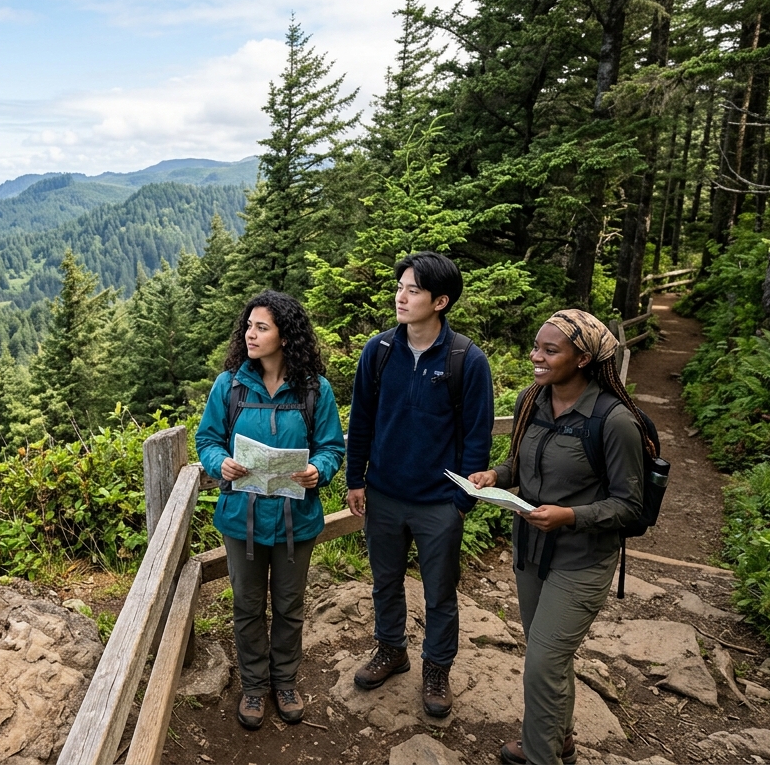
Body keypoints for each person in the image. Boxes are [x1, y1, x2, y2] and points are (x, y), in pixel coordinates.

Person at [466, 309, 653, 765]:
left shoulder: (614, 421)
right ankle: (560, 739)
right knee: (548, 656)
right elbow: (521, 464)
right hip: (531, 552)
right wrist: (495, 475)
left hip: (582, 560)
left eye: (550, 350)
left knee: (543, 662)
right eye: (536, 347)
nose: (536, 356)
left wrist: (570, 516)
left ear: (583, 359)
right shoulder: (533, 400)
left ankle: (540, 754)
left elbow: (630, 506)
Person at [345, 251, 494, 718]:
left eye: (413, 290)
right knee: (385, 582)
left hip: (438, 502)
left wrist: (461, 502)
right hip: (384, 493)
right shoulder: (379, 351)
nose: (401, 297)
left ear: (440, 301)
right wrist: (355, 479)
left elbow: (477, 436)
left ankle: (437, 669)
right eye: (400, 287)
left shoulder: (466, 359)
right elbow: (362, 419)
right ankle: (392, 649)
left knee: (440, 592)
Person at [195, 290, 346, 730]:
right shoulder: (230, 386)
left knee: (289, 605)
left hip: (295, 519)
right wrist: (219, 463)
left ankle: (285, 682)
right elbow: (207, 440)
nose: (251, 334)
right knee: (246, 605)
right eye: (249, 326)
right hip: (240, 518)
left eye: (262, 327)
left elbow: (332, 447)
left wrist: (318, 470)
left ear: (286, 335)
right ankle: (254, 687)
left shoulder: (315, 390)